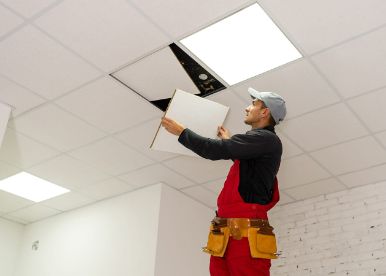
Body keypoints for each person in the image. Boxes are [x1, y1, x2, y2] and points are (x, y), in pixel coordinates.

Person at [161, 87, 286, 276]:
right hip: (224, 231)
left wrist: (181, 132)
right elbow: (248, 168)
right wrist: (229, 141)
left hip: (246, 232)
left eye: (253, 104)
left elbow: (213, 150)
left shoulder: (267, 139)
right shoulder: (258, 144)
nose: (247, 108)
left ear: (264, 112)